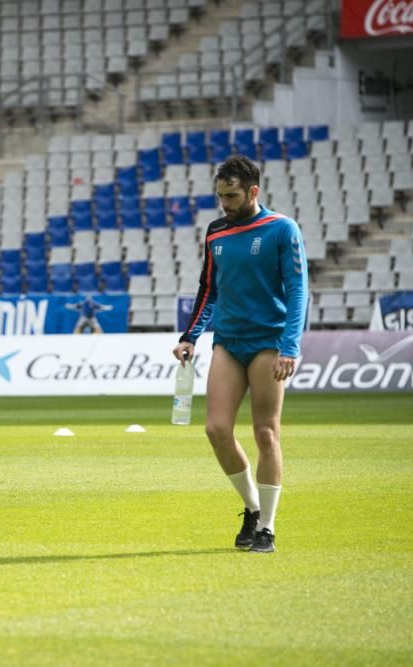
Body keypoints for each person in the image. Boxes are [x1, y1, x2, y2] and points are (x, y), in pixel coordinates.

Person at [172, 155, 308, 554]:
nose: (224, 204)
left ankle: (267, 527)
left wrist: (290, 346)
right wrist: (190, 336)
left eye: (231, 196)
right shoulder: (215, 233)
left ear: (253, 191)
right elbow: (208, 290)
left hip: (269, 342)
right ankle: (252, 507)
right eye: (219, 196)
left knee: (266, 432)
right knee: (216, 430)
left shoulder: (282, 229)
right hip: (228, 341)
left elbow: (298, 290)